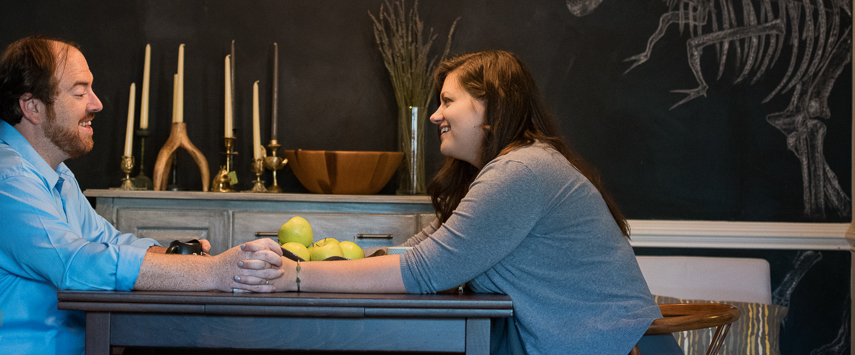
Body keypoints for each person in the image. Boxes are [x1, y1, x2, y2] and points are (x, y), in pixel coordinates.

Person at [250, 50, 680, 355]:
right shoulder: (510, 170)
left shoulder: (521, 171)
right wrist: (336, 262)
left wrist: (298, 276)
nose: (435, 115)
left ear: (489, 107)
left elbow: (424, 270)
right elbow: (422, 249)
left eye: (447, 101)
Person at [0, 36, 282, 354]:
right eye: (80, 93)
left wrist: (178, 255)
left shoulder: (52, 175)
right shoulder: (1, 179)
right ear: (31, 106)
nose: (97, 104)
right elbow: (76, 265)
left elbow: (109, 242)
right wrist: (212, 272)